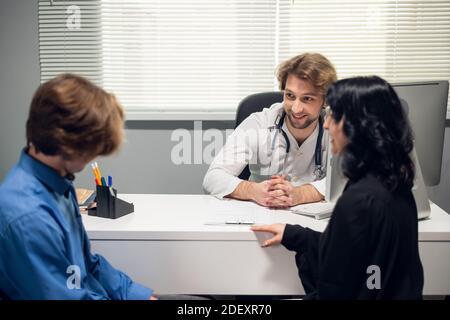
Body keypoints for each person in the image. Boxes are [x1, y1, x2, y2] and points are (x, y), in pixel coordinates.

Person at [251, 76, 424, 299]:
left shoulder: (360, 201)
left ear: (357, 125)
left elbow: (336, 287)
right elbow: (355, 256)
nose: (326, 123)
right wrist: (295, 235)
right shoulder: (395, 185)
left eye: (334, 115)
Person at [0, 74, 156, 300]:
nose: (97, 153)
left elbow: (88, 265)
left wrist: (136, 295)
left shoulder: (59, 185)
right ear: (68, 142)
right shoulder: (28, 217)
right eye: (95, 145)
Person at [203, 53, 337, 208]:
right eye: (290, 95)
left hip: (314, 224)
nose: (296, 108)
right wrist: (254, 190)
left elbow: (352, 181)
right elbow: (213, 178)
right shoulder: (258, 123)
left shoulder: (336, 127)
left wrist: (302, 194)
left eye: (307, 99)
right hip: (261, 216)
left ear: (325, 100)